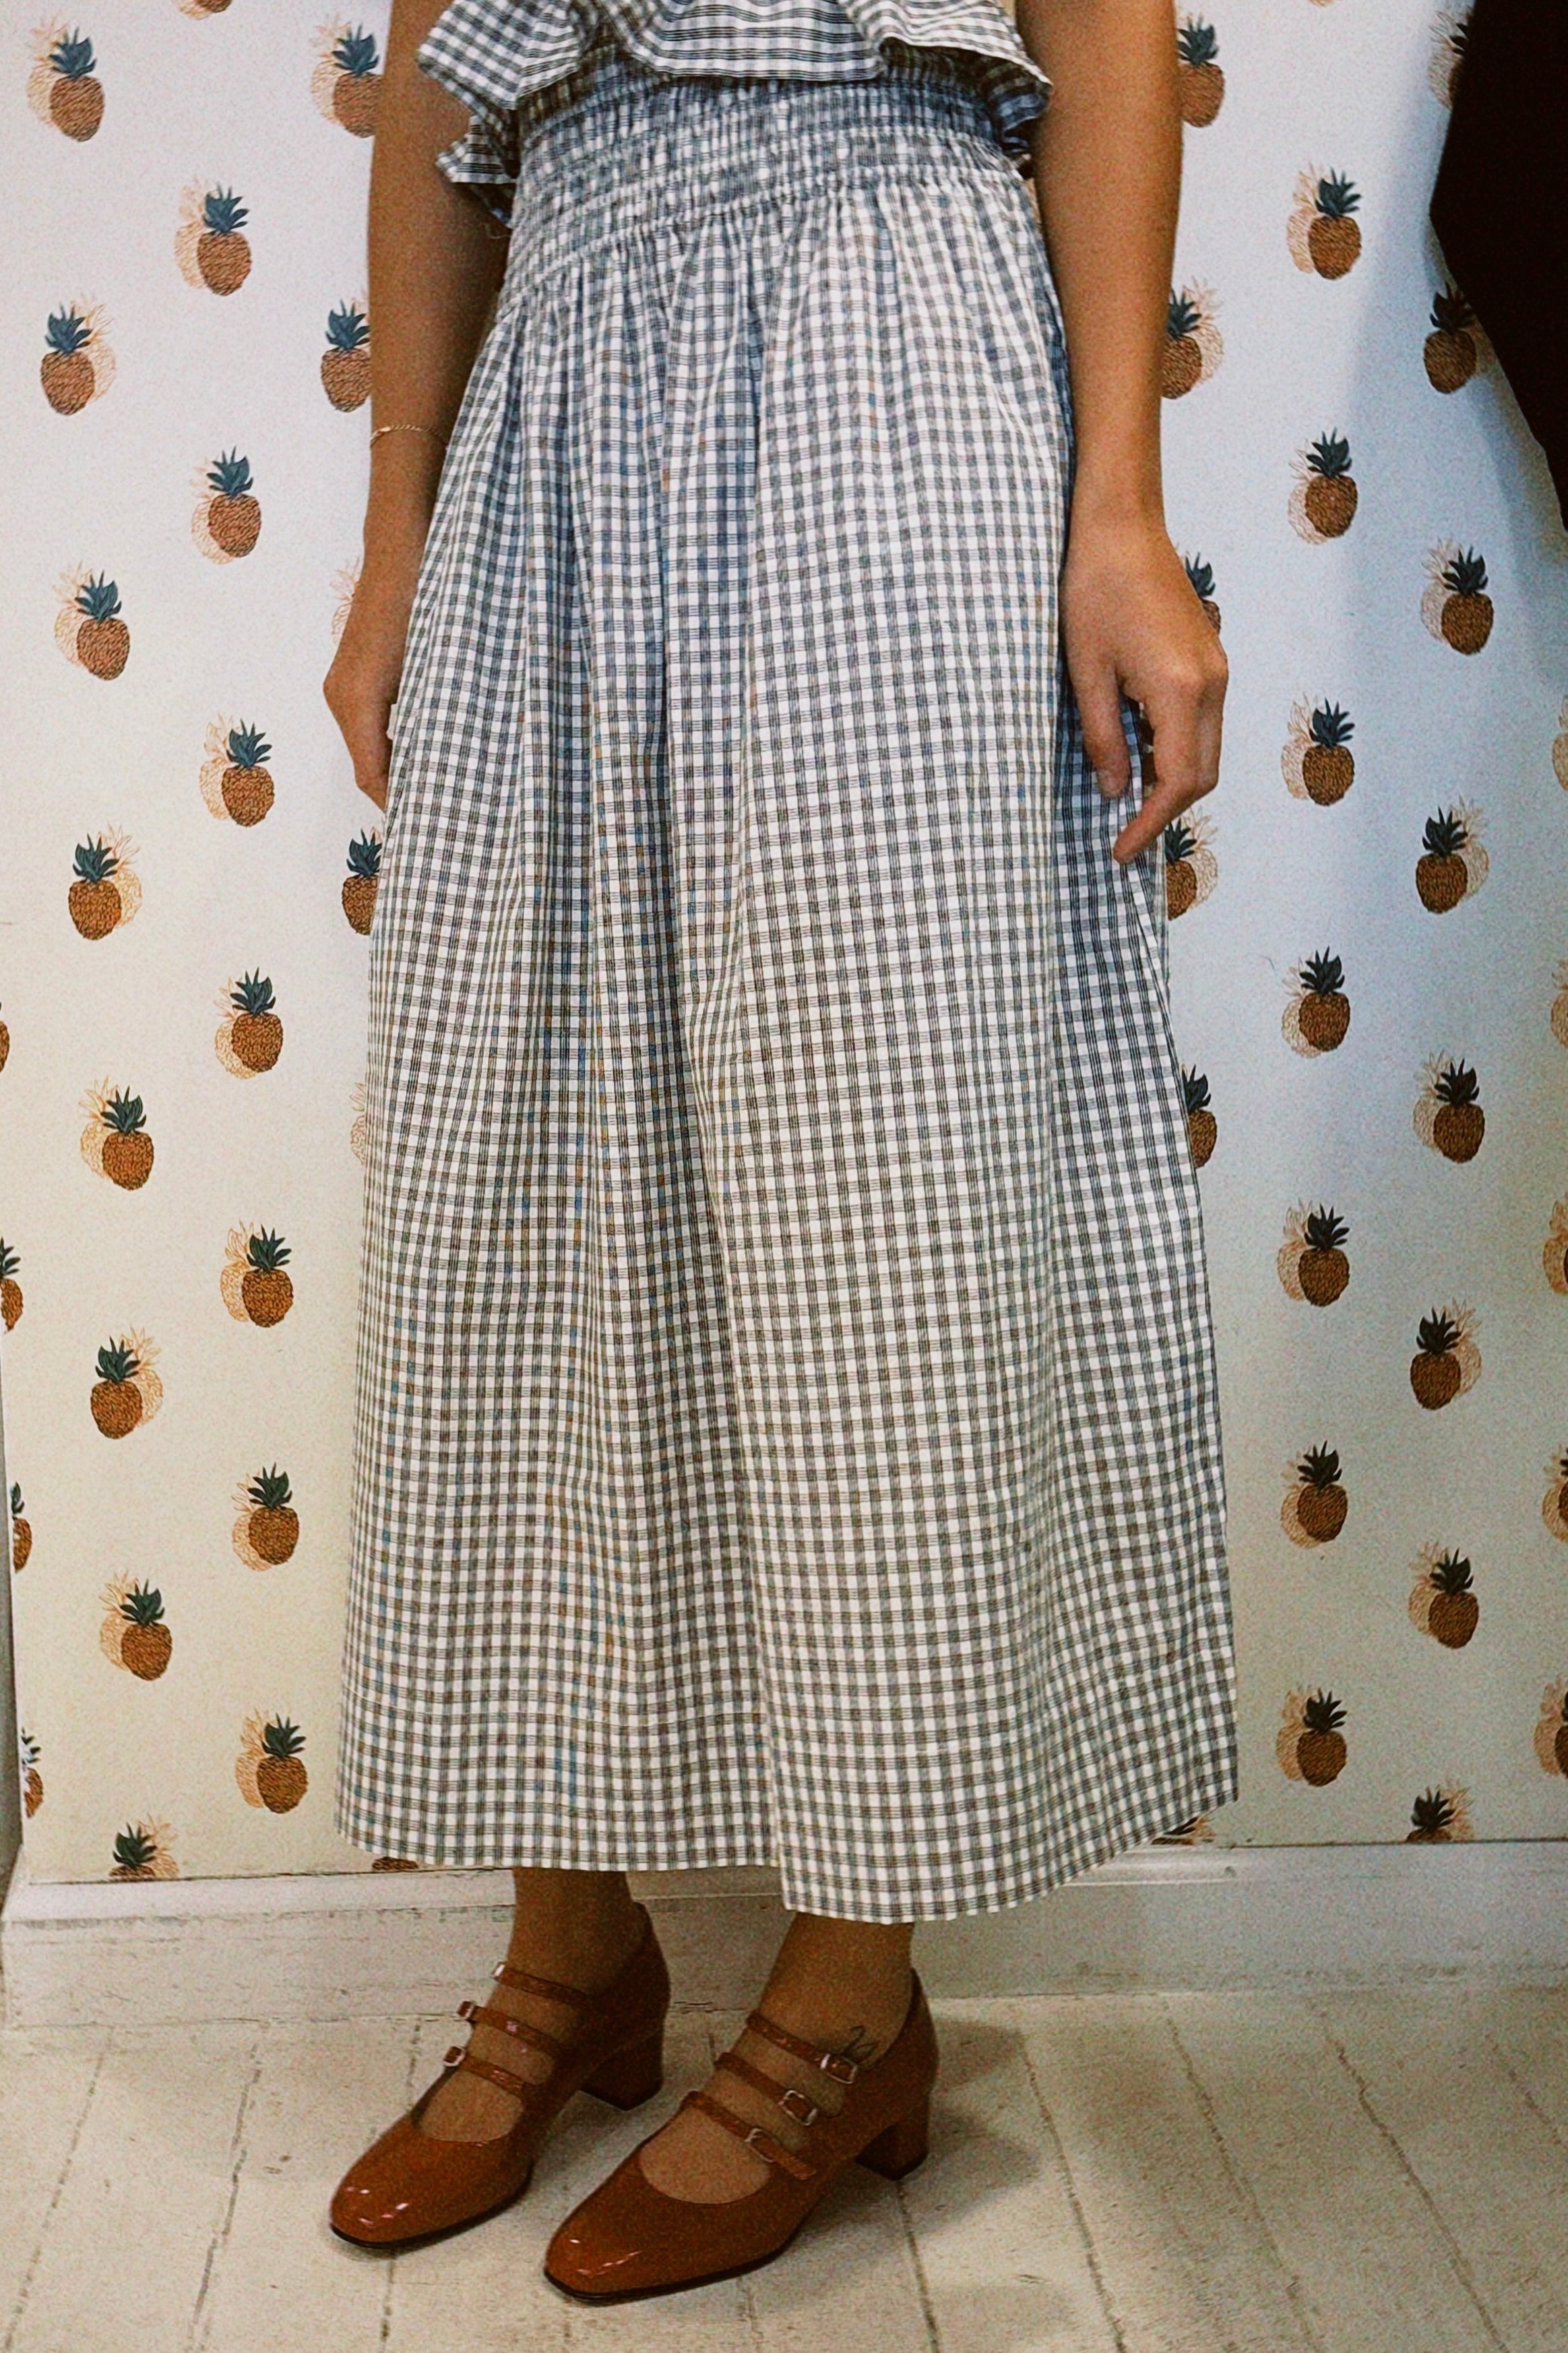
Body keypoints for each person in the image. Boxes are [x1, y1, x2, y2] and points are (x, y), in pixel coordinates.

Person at [322, 0, 1234, 2304]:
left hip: (886, 333)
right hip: (562, 362)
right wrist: (393, 531)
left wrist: (1120, 505)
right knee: (527, 1173)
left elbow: (1102, 25)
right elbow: (438, 83)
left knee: (882, 1172)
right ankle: (571, 1943)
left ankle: (850, 1992)